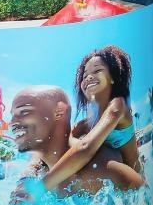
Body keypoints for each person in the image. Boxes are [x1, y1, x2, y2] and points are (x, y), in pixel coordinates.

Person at [7, 85, 143, 205]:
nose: (11, 122)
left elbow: (84, 148)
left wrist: (38, 189)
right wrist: (24, 181)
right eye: (12, 115)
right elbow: (67, 137)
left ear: (59, 112)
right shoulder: (41, 169)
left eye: (24, 112)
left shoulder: (101, 174)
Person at [38, 46, 142, 190]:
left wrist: (40, 188)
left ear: (112, 77)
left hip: (132, 187)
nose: (88, 77)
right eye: (85, 75)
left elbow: (85, 149)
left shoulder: (118, 106)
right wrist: (33, 169)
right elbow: (58, 143)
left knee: (89, 154)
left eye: (97, 71)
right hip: (110, 187)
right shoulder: (85, 124)